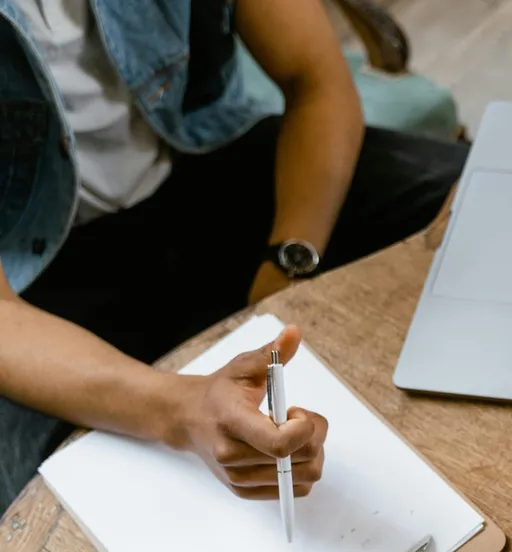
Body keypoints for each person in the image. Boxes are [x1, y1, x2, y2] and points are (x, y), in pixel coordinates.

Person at [0, 0, 467, 512]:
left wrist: (288, 262)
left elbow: (316, 81)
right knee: (42, 505)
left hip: (211, 165)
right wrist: (182, 410)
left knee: (482, 200)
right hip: (40, 279)